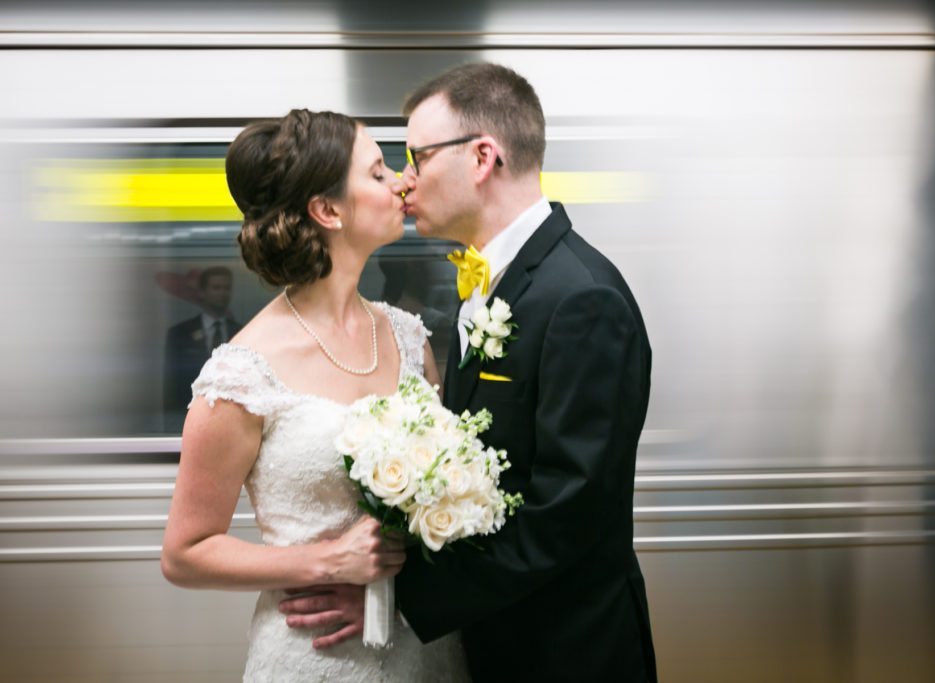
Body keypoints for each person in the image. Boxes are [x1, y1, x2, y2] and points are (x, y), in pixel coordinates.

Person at [281, 63, 658, 682]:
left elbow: (567, 515)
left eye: (417, 157)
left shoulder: (582, 298)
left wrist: (399, 601)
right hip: (492, 642)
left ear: (482, 157)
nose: (405, 182)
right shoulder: (481, 288)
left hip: (567, 652)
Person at [160, 109, 469, 682]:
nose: (401, 181)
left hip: (425, 644)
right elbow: (185, 551)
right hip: (317, 654)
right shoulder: (242, 374)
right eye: (378, 173)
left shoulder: (407, 336)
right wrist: (326, 560)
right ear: (327, 211)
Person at [162, 266, 242, 429]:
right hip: (187, 416)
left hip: (231, 419)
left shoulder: (242, 332)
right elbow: (170, 383)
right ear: (202, 292)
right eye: (216, 288)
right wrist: (170, 421)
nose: (222, 293)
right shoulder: (180, 333)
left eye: (227, 288)